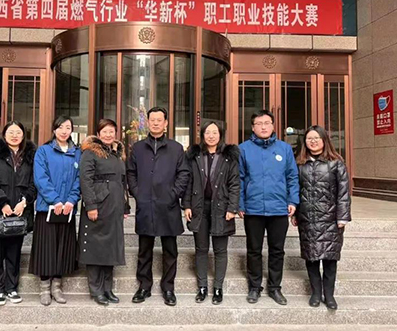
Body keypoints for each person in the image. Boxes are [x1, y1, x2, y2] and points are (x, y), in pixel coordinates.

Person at [127, 107, 190, 307]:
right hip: (146, 205)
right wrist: (138, 193)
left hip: (168, 205)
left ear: (166, 123)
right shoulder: (138, 148)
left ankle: (168, 288)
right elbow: (130, 173)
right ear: (147, 122)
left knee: (170, 250)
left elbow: (184, 173)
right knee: (144, 249)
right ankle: (144, 286)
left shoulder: (176, 148)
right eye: (152, 120)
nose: (155, 123)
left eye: (159, 120)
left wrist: (173, 194)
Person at [239, 109, 299, 306]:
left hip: (279, 208)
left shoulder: (284, 149)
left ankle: (274, 287)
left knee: (277, 250)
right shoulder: (243, 149)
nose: (263, 127)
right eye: (259, 123)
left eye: (267, 123)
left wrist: (292, 201)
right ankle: (254, 287)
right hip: (253, 208)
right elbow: (239, 179)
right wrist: (240, 204)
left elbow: (292, 177)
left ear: (273, 126)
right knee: (253, 250)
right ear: (253, 127)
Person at [0, 121, 37, 306]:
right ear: (4, 134)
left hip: (19, 212)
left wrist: (24, 202)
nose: (14, 135)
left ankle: (12, 288)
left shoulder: (30, 157)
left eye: (18, 132)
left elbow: (34, 184)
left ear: (23, 135)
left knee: (14, 252)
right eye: (11, 132)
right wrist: (2, 203)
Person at [292, 125, 351, 310]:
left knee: (330, 259)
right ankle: (316, 293)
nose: (313, 141)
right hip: (307, 217)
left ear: (324, 140)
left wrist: (342, 217)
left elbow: (343, 193)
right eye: (309, 138)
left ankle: (330, 295)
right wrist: (295, 213)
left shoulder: (336, 163)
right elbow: (296, 190)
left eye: (316, 138)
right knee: (311, 258)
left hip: (330, 218)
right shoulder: (300, 164)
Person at [184, 121, 240, 305]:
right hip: (199, 206)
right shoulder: (194, 156)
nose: (211, 136)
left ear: (220, 134)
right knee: (201, 249)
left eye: (215, 132)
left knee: (220, 250)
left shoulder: (229, 156)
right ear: (202, 134)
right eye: (207, 132)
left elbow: (234, 184)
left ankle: (217, 288)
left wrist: (232, 208)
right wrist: (187, 205)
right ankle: (202, 287)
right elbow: (189, 182)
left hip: (221, 208)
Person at [30, 115, 81, 306]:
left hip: (67, 209)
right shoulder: (43, 151)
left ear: (72, 130)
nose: (64, 131)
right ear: (54, 130)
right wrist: (55, 200)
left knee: (62, 249)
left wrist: (71, 201)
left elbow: (79, 179)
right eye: (60, 127)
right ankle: (44, 287)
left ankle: (57, 287)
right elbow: (40, 178)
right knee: (46, 248)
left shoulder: (77, 152)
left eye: (67, 127)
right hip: (48, 209)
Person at [79, 119, 130, 306]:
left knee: (110, 249)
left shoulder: (117, 154)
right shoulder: (90, 153)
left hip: (114, 207)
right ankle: (96, 290)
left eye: (111, 131)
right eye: (105, 131)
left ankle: (108, 289)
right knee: (95, 248)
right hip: (98, 206)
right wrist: (91, 205)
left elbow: (122, 182)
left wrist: (125, 206)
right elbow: (85, 180)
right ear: (98, 134)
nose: (108, 135)